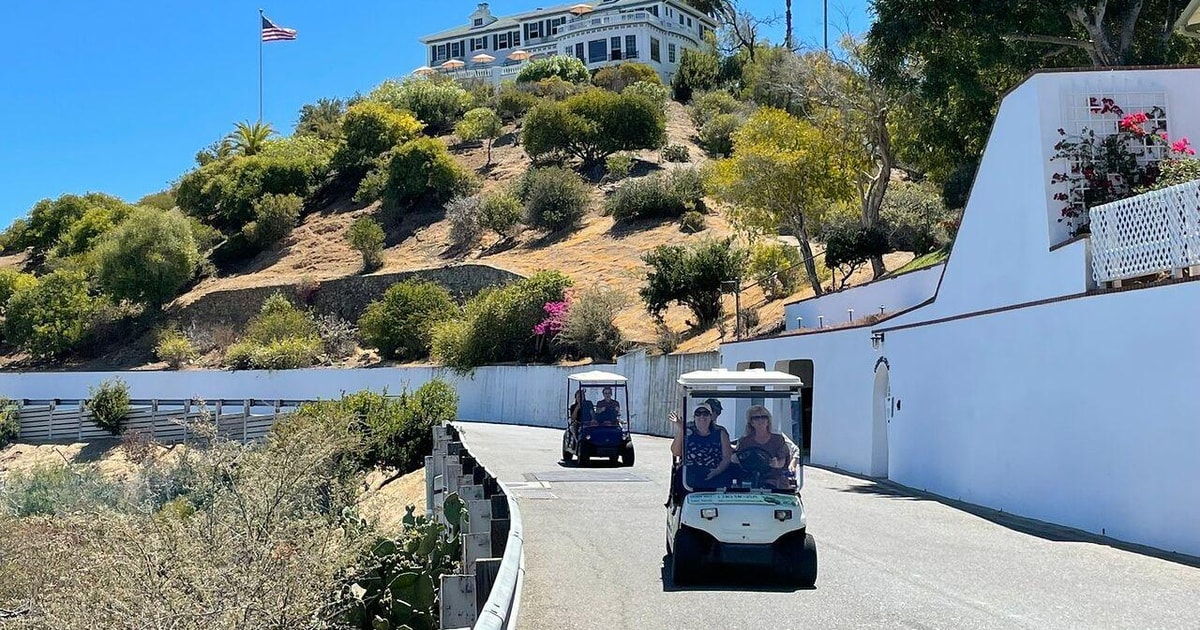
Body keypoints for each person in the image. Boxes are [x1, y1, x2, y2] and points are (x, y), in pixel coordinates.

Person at [669, 402, 733, 489]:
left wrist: (716, 471)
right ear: (694, 417)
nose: (702, 417)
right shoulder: (687, 430)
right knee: (681, 477)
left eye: (705, 414)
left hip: (715, 472)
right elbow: (676, 452)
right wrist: (681, 430)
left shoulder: (720, 432)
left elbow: (726, 457)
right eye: (698, 414)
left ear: (710, 417)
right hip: (690, 474)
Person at [731, 405, 794, 489]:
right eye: (756, 418)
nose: (760, 420)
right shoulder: (745, 442)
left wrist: (776, 463)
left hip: (774, 481)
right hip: (749, 479)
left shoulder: (778, 440)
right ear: (751, 422)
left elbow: (781, 462)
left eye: (764, 417)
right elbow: (739, 461)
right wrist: (735, 459)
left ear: (768, 421)